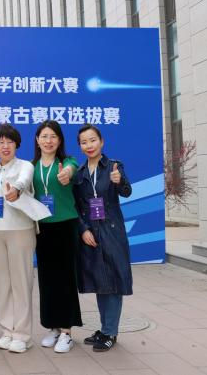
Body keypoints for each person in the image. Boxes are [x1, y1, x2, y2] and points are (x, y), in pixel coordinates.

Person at [0, 124, 50, 354]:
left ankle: (22, 335)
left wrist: (16, 190)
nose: (5, 146)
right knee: (2, 283)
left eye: (9, 142)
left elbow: (23, 181)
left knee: (21, 282)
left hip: (20, 229)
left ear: (16, 145)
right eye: (0, 142)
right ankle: (7, 331)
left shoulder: (25, 166)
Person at [72, 124, 133, 352]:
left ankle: (110, 332)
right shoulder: (79, 173)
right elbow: (76, 206)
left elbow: (126, 192)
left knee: (114, 281)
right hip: (91, 233)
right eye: (84, 142)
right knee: (100, 281)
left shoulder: (114, 166)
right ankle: (105, 328)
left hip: (112, 231)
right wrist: (83, 230)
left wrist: (120, 181)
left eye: (93, 140)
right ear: (80, 146)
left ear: (101, 141)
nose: (89, 145)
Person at [32, 120, 83, 353]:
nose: (48, 141)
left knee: (65, 279)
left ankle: (66, 332)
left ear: (59, 140)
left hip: (65, 226)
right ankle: (52, 326)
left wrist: (66, 174)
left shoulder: (67, 162)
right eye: (44, 136)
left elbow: (72, 170)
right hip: (42, 228)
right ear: (37, 140)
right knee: (47, 279)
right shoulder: (32, 167)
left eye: (53, 136)